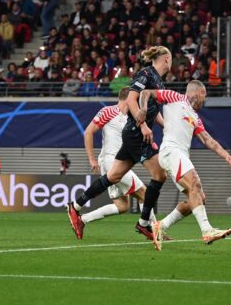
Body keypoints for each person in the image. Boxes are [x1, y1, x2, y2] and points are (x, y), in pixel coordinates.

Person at [67, 46, 172, 247]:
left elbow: (152, 110)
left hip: (130, 141)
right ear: (167, 59)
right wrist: (143, 127)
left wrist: (169, 127)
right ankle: (148, 226)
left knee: (120, 200)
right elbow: (90, 130)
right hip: (131, 139)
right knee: (157, 178)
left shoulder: (158, 81)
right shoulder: (144, 75)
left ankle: (77, 207)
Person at [141, 81, 231, 249]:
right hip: (171, 150)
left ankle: (160, 226)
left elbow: (208, 140)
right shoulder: (174, 97)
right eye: (205, 96)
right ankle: (207, 230)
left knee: (199, 197)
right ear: (200, 92)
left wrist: (227, 156)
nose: (205, 100)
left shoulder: (195, 117)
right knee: (194, 182)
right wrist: (143, 110)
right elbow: (146, 93)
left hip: (179, 155)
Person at [75, 87, 158, 239]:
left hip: (120, 162)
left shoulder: (132, 118)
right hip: (111, 161)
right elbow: (88, 132)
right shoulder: (108, 111)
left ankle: (83, 219)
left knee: (122, 206)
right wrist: (91, 158)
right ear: (128, 98)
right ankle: (156, 232)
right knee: (145, 194)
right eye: (134, 98)